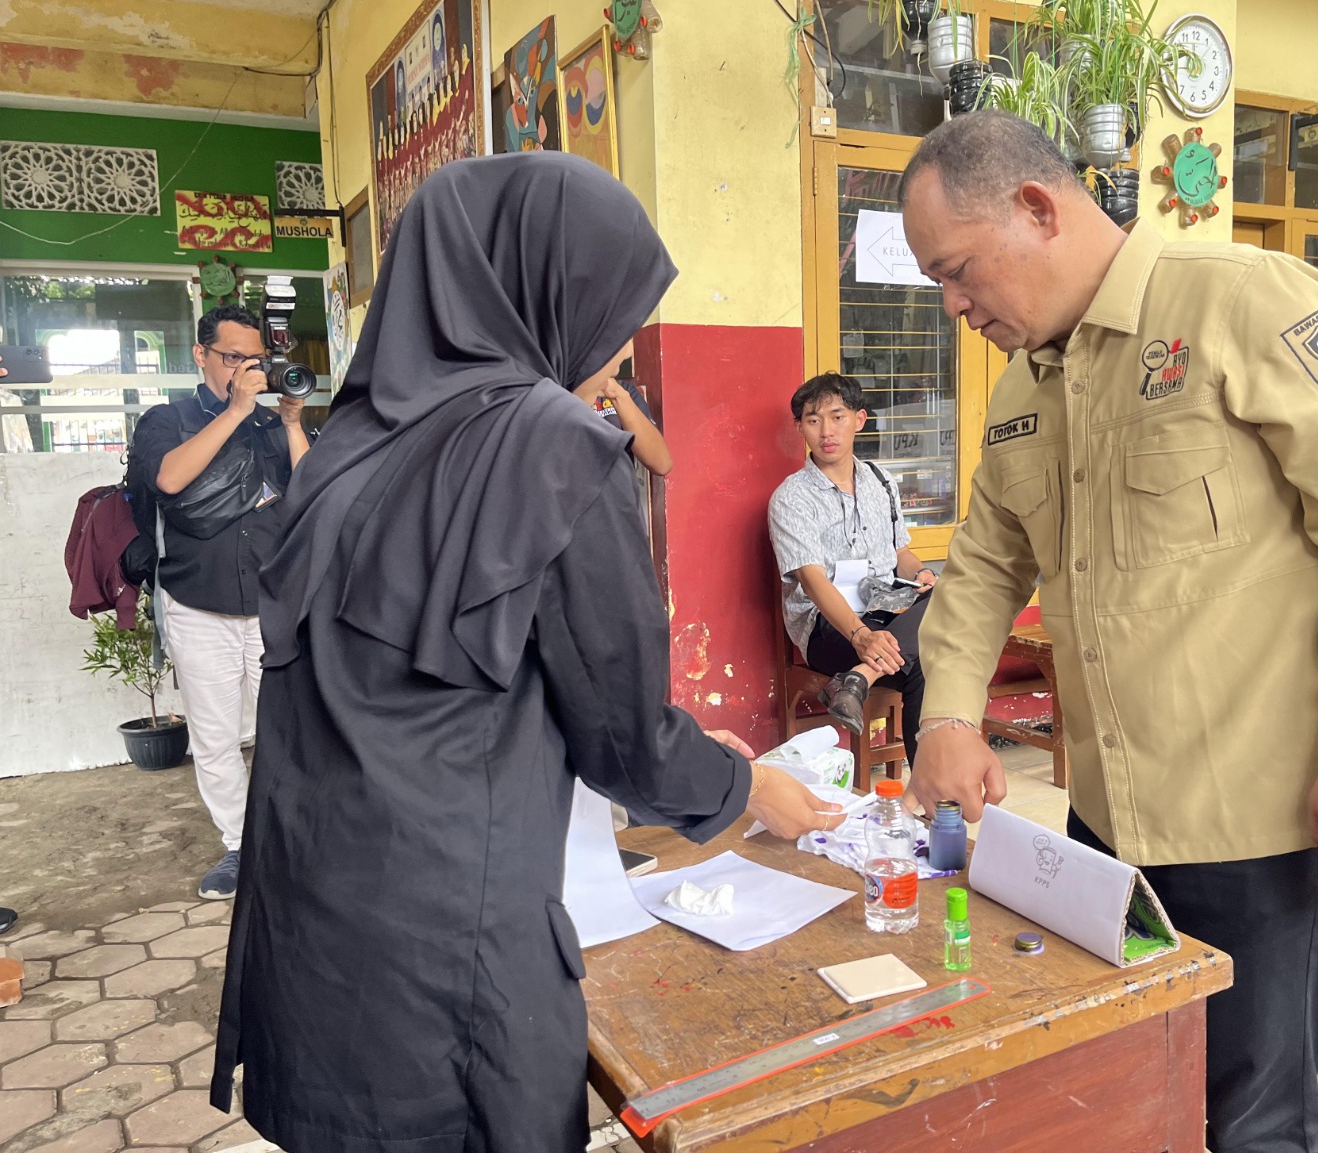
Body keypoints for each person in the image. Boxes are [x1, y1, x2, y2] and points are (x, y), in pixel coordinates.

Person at [210, 154, 844, 1153]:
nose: (617, 345)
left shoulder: (344, 448)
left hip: (314, 939)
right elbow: (621, 737)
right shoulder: (550, 446)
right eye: (610, 303)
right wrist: (743, 782)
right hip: (449, 962)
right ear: (542, 286)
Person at [897, 111, 1318, 1153]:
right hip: (1107, 834)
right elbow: (978, 570)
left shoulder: (1241, 305)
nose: (955, 305)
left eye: (959, 271)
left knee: (1252, 1118)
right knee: (1126, 1095)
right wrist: (948, 715)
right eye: (938, 283)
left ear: (1037, 208)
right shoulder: (1025, 389)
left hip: (1260, 830)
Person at [127, 305, 310, 901]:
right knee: (214, 738)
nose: (246, 370)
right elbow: (170, 480)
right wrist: (235, 410)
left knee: (290, 730)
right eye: (233, 358)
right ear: (202, 354)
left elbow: (314, 495)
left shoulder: (269, 424)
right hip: (197, 606)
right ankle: (239, 846)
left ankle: (297, 842)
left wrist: (289, 423)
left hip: (273, 604)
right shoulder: (168, 418)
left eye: (254, 361)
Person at [768, 373, 937, 748]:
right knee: (929, 661)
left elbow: (900, 555)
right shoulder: (791, 498)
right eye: (814, 420)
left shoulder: (881, 481)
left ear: (859, 420)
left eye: (837, 416)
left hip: (890, 608)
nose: (827, 431)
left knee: (948, 597)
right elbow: (813, 583)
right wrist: (860, 636)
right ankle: (932, 801)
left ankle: (860, 677)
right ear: (800, 428)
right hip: (829, 627)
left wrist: (923, 573)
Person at [591, 376, 673, 475]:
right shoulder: (568, 395)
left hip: (617, 486)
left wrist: (616, 394)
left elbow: (661, 464)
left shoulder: (622, 390)